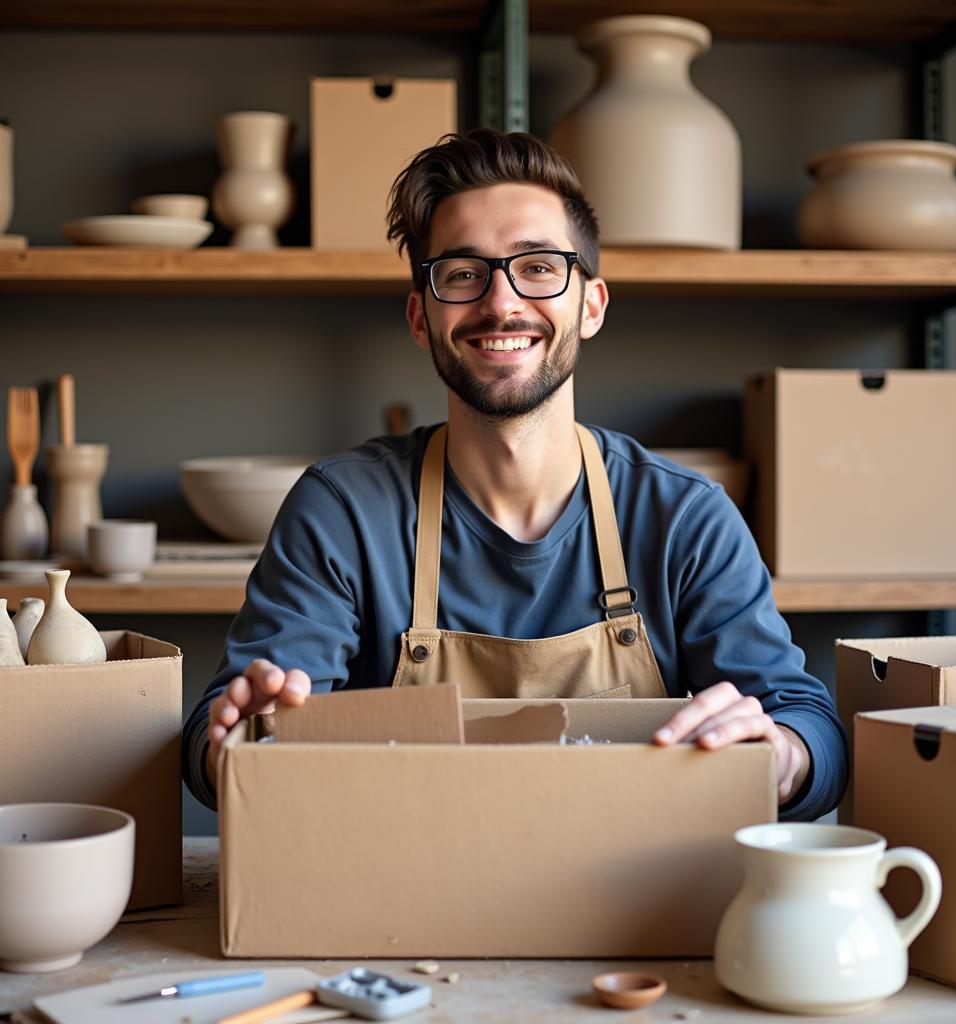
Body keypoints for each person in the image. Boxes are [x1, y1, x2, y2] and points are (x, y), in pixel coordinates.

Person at [183, 128, 847, 820]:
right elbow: (219, 730)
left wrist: (785, 754)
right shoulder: (345, 511)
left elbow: (808, 724)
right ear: (421, 316)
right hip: (399, 905)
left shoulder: (683, 517)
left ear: (590, 304)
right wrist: (234, 740)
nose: (501, 303)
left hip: (635, 907)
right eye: (463, 273)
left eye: (537, 267)